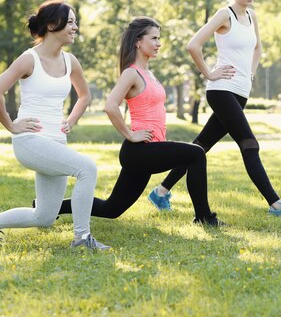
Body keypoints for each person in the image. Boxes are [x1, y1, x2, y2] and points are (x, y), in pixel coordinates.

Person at [148, 0, 281, 218]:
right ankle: (276, 204)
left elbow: (258, 47)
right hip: (221, 91)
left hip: (240, 92)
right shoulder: (224, 15)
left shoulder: (252, 16)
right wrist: (209, 74)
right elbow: (193, 45)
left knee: (201, 145)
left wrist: (249, 73)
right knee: (250, 144)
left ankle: (161, 191)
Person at [0, 0, 109, 250]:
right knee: (87, 168)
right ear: (53, 24)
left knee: (44, 216)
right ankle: (82, 238)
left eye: (76, 23)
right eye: (71, 22)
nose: (76, 28)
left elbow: (85, 95)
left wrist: (71, 120)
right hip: (31, 141)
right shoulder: (29, 59)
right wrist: (11, 125)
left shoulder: (70, 61)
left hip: (56, 141)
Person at [55, 17, 222, 226]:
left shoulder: (149, 73)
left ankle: (52, 207)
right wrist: (130, 134)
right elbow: (110, 106)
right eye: (153, 38)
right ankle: (204, 217)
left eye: (159, 38)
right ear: (138, 41)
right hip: (140, 149)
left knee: (112, 209)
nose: (158, 43)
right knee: (196, 154)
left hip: (148, 149)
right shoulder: (131, 73)